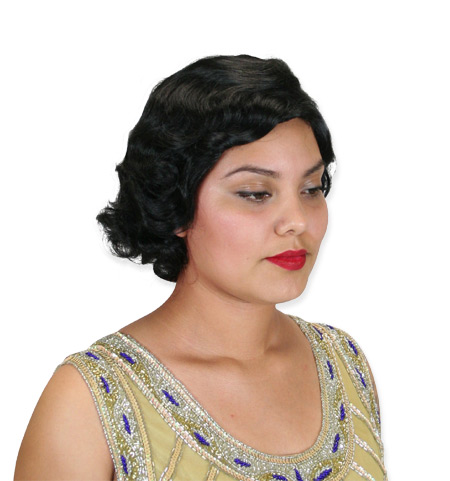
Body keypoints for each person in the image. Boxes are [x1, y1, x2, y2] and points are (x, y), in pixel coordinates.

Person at [14, 54, 387, 481]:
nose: (297, 221)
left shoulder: (344, 365)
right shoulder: (90, 401)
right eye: (255, 193)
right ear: (176, 206)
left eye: (311, 188)